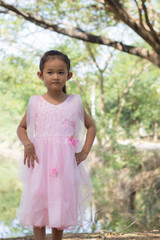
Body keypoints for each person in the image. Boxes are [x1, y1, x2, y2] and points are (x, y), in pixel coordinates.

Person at [17, 50, 96, 240]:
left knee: (60, 202)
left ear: (69, 76)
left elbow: (91, 126)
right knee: (38, 200)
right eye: (50, 72)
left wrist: (84, 152)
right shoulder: (35, 102)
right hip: (39, 161)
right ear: (40, 75)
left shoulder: (74, 102)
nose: (55, 77)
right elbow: (21, 127)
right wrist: (27, 144)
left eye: (61, 72)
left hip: (64, 164)